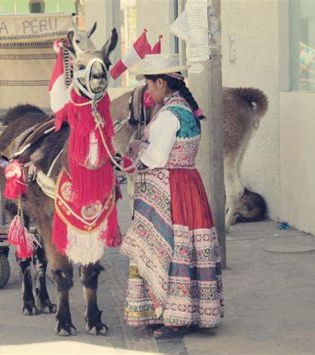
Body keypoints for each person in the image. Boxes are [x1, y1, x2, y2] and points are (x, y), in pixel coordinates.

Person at [120, 54, 224, 338]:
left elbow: (156, 157)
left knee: (167, 248)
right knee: (185, 248)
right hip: (188, 185)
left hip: (169, 191)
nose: (148, 91)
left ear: (162, 83)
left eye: (150, 85)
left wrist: (137, 146)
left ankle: (173, 318)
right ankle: (179, 312)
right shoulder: (186, 110)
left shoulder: (168, 116)